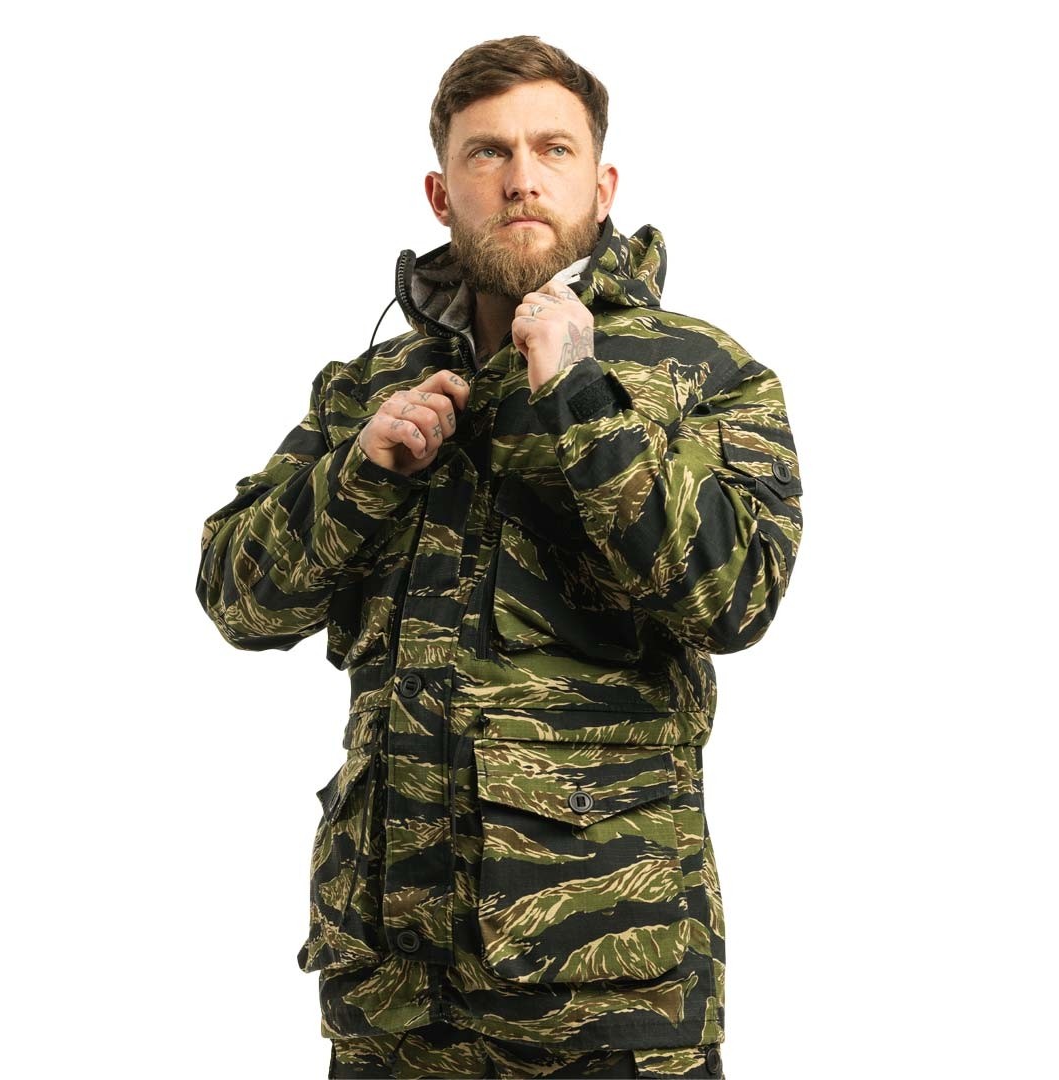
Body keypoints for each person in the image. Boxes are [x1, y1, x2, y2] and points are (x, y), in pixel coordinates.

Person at [195, 34, 803, 1080]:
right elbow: (236, 599)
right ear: (442, 193)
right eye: (488, 153)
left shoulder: (702, 370)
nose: (522, 178)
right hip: (393, 998)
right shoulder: (366, 388)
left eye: (553, 149)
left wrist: (583, 399)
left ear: (602, 186)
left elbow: (737, 594)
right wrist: (359, 474)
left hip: (609, 996)